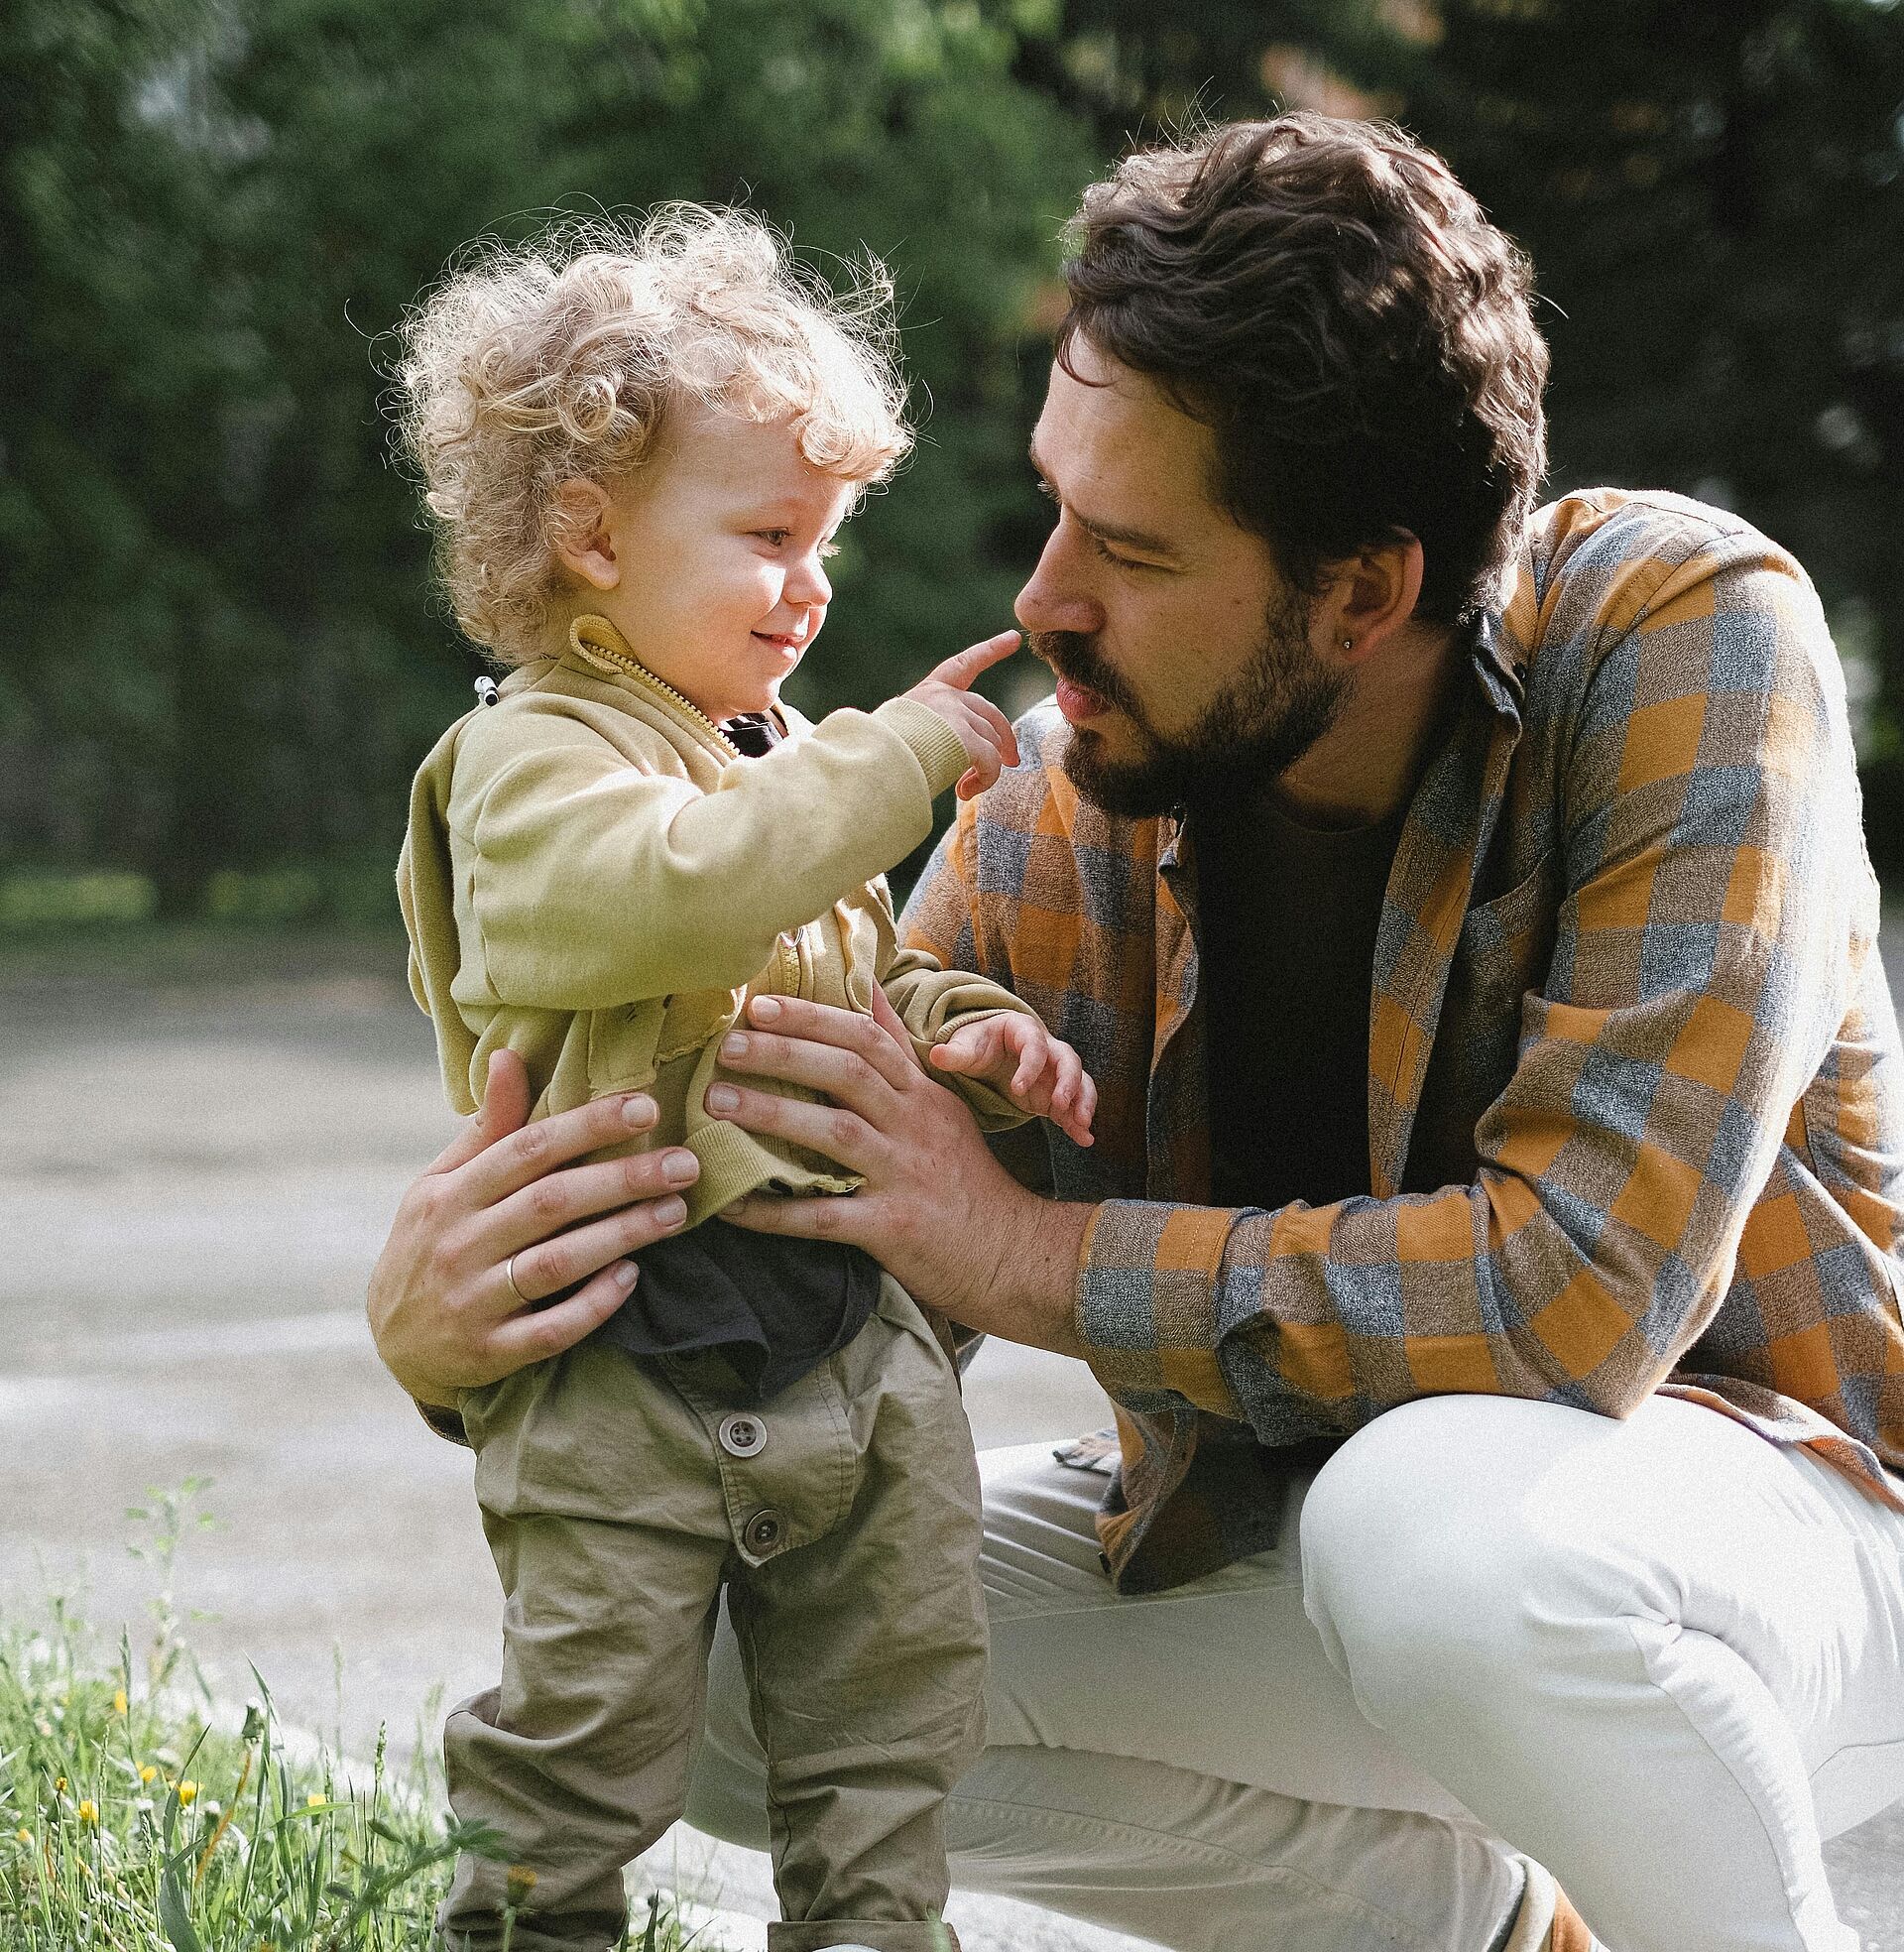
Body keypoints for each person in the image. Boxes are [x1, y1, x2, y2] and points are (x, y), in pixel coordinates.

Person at [369, 119, 1904, 1952]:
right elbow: (839, 1255)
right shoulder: (1072, 791)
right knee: (714, 1645)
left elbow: (1580, 1298)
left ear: (1361, 588)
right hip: (1318, 1554)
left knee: (1427, 1533)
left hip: (1776, 1539)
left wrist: (1032, 1252)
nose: (1040, 603)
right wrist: (460, 1331)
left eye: (1132, 547)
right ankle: (1486, 1933)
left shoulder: (1676, 638)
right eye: (1053, 504)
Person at [389, 205, 1097, 1952]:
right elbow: (667, 899)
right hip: (621, 1356)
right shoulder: (529, 758)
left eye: (830, 541)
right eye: (774, 534)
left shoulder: (762, 758)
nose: (816, 583)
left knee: (889, 1748)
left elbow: (835, 951)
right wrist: (903, 753)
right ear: (591, 536)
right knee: (583, 1754)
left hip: (847, 1356)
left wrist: (960, 1031)